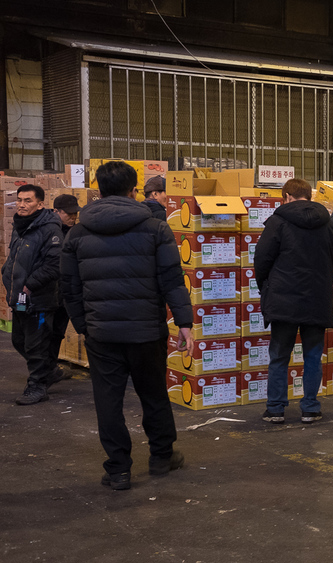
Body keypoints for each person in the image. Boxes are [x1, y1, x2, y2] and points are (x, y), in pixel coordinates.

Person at [60, 161, 193, 490]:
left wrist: (83, 324)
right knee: (154, 394)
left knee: (108, 401)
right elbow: (172, 281)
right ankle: (162, 456)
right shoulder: (156, 229)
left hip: (102, 333)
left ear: (99, 191)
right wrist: (185, 324)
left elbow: (68, 287)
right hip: (147, 331)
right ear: (133, 190)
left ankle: (118, 468)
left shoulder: (77, 233)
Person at [256, 178, 333, 425]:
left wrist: (268, 287)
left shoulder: (277, 222)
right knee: (313, 355)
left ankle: (275, 409)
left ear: (286, 197)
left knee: (280, 356)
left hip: (283, 299)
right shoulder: (328, 224)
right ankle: (310, 409)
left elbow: (262, 259)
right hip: (317, 297)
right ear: (309, 196)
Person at [2, 184, 63, 405]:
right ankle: (50, 371)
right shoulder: (21, 226)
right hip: (19, 299)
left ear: (40, 204)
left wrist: (29, 285)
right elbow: (15, 260)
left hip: (39, 299)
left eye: (28, 201)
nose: (22, 204)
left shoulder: (49, 229)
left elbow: (55, 264)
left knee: (36, 345)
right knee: (19, 340)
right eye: (19, 200)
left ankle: (38, 386)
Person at [48, 193, 81, 383]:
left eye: (75, 213)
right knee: (43, 334)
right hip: (48, 292)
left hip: (66, 293)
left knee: (58, 333)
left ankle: (50, 369)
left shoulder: (75, 231)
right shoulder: (48, 231)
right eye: (69, 214)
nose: (73, 217)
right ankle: (44, 369)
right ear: (56, 211)